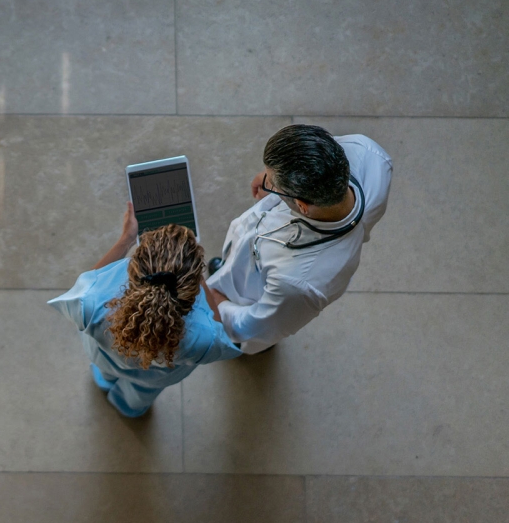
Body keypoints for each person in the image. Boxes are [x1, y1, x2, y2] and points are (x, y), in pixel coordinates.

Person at [203, 124, 393, 354]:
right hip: (256, 252)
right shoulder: (369, 154)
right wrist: (272, 176)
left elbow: (254, 326)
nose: (265, 182)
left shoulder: (296, 284)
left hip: (250, 298)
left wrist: (217, 303)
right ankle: (225, 269)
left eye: (272, 183)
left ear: (302, 206)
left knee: (242, 317)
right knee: (232, 263)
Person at [49, 206, 241, 418]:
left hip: (105, 358)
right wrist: (200, 280)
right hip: (155, 378)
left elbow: (87, 284)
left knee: (104, 371)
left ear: (133, 268)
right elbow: (219, 330)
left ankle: (104, 381)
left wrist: (126, 239)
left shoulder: (93, 302)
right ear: (191, 289)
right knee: (141, 394)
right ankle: (128, 407)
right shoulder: (204, 338)